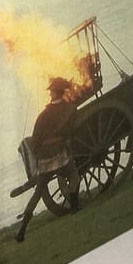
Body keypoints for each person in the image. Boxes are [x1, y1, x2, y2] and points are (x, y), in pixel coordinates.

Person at [15, 77, 80, 243]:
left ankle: (22, 229)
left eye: (51, 91)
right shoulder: (70, 109)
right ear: (62, 92)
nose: (50, 93)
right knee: (74, 176)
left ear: (54, 93)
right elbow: (70, 132)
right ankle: (74, 207)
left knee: (38, 193)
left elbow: (35, 142)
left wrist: (40, 158)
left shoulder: (42, 116)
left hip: (44, 160)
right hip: (61, 155)